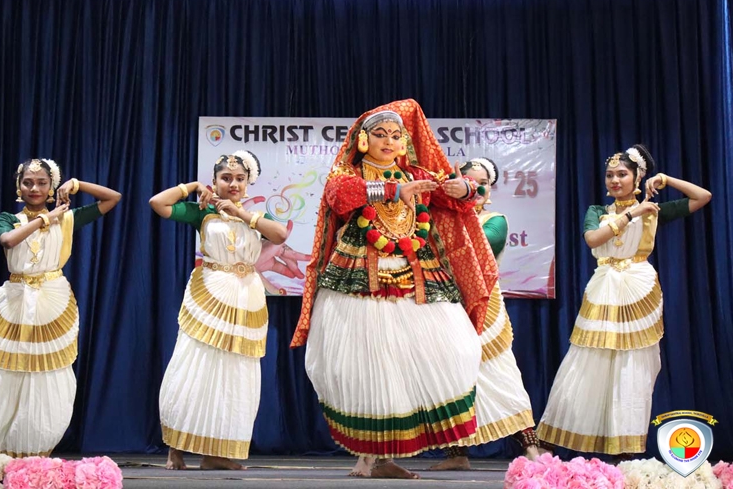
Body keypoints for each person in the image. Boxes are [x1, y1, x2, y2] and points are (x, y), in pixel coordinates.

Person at [291, 99, 498, 479]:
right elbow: (341, 195)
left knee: (455, 348)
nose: (388, 141)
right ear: (364, 140)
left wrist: (463, 187)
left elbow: (464, 196)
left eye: (395, 135)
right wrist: (392, 191)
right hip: (359, 281)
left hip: (416, 276)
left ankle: (383, 457)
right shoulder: (348, 172)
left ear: (404, 142)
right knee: (369, 362)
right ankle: (370, 459)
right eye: (380, 134)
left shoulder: (416, 174)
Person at [0, 158, 121, 456]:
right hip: (16, 300)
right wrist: (45, 219)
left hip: (51, 300)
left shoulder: (67, 219)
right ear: (19, 187)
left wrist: (78, 184)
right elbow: (8, 241)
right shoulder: (9, 218)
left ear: (51, 187)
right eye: (28, 182)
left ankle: (32, 447)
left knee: (45, 372)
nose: (35, 188)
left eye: (42, 183)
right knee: (1, 369)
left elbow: (113, 198)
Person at [537, 145, 711, 458]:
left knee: (634, 365)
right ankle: (556, 439)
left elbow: (703, 197)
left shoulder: (653, 211)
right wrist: (631, 213)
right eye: (610, 175)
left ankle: (624, 448)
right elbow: (593, 239)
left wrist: (666, 179)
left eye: (622, 174)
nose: (615, 180)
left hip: (639, 290)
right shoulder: (597, 210)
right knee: (587, 359)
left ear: (637, 177)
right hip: (604, 288)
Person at [151, 150, 288, 470]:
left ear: (248, 183)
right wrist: (192, 187)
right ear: (215, 181)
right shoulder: (203, 211)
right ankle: (176, 448)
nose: (233, 184)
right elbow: (158, 203)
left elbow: (280, 235)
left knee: (235, 374)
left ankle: (216, 454)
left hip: (246, 297)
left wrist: (240, 213)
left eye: (240, 179)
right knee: (194, 364)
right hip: (210, 293)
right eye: (226, 178)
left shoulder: (254, 216)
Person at [428, 157, 540, 470]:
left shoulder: (495, 220)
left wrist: (451, 219)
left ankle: (531, 448)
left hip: (485, 306)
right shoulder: (443, 220)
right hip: (448, 304)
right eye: (469, 182)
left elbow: (478, 246)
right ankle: (456, 454)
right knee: (450, 378)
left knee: (501, 374)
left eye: (482, 184)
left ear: (489, 190)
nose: (476, 189)